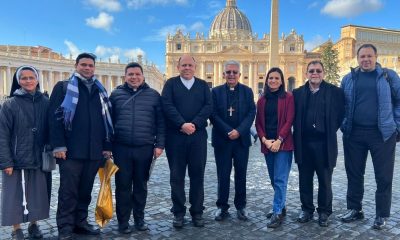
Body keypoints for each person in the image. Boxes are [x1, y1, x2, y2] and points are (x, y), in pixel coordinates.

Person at [48, 53, 113, 239]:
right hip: (70, 151)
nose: (87, 68)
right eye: (83, 64)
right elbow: (54, 118)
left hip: (94, 151)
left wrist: (107, 146)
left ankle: (80, 222)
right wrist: (59, 145)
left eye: (90, 65)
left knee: (85, 191)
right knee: (68, 191)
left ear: (94, 68)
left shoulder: (100, 91)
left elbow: (107, 121)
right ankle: (65, 228)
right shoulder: (63, 87)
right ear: (76, 66)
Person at [340, 43, 400, 230]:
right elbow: (341, 105)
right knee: (354, 174)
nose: (366, 59)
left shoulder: (389, 77)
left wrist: (396, 125)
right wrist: (343, 124)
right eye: (362, 56)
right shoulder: (348, 79)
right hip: (354, 133)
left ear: (376, 57)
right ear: (357, 59)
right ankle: (355, 208)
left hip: (381, 134)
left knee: (383, 177)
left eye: (369, 56)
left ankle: (381, 214)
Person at [110, 62, 165, 234]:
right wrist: (108, 146)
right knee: (122, 186)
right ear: (125, 76)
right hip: (121, 148)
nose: (134, 77)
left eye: (137, 74)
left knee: (141, 186)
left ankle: (139, 219)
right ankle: (123, 221)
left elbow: (161, 122)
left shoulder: (154, 95)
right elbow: (108, 123)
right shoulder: (115, 95)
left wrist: (160, 144)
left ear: (143, 76)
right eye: (130, 74)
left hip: (145, 147)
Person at [161, 54, 212, 228]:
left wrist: (194, 124)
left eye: (190, 65)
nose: (187, 68)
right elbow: (167, 105)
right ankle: (178, 212)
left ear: (195, 67)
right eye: (184, 65)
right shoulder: (170, 84)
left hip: (197, 137)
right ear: (178, 67)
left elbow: (208, 107)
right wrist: (182, 124)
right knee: (176, 177)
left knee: (198, 176)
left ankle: (197, 212)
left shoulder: (203, 85)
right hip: (175, 137)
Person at [292, 60, 344, 227]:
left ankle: (324, 211)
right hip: (304, 143)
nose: (315, 73)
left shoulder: (335, 92)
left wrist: (328, 128)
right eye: (312, 71)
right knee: (304, 179)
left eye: (318, 70)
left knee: (325, 180)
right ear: (306, 73)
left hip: (324, 143)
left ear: (323, 73)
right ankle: (307, 209)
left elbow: (341, 114)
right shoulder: (298, 93)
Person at [0, 66, 50, 240]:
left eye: (31, 77)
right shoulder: (9, 104)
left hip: (38, 157)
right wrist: (6, 161)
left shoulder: (46, 102)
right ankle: (16, 229)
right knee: (14, 195)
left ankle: (34, 225)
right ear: (18, 80)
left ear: (37, 79)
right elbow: (2, 134)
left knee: (36, 193)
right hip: (16, 158)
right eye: (24, 78)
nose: (28, 81)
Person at [210, 60, 255, 221]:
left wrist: (239, 131)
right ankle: (222, 207)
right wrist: (228, 130)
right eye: (228, 72)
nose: (231, 75)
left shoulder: (247, 91)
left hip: (241, 140)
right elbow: (213, 114)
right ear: (223, 74)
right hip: (222, 140)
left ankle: (241, 206)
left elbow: (251, 112)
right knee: (222, 175)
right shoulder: (215, 92)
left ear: (239, 75)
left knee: (241, 174)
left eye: (234, 72)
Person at [255, 67, 294, 228]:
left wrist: (279, 140)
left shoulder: (288, 97)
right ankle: (281, 205)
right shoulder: (262, 100)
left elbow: (289, 119)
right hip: (268, 144)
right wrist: (264, 140)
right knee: (273, 178)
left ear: (281, 80)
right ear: (267, 80)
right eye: (270, 78)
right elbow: (258, 123)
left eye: (277, 78)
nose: (273, 80)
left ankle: (277, 211)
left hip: (283, 145)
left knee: (280, 179)